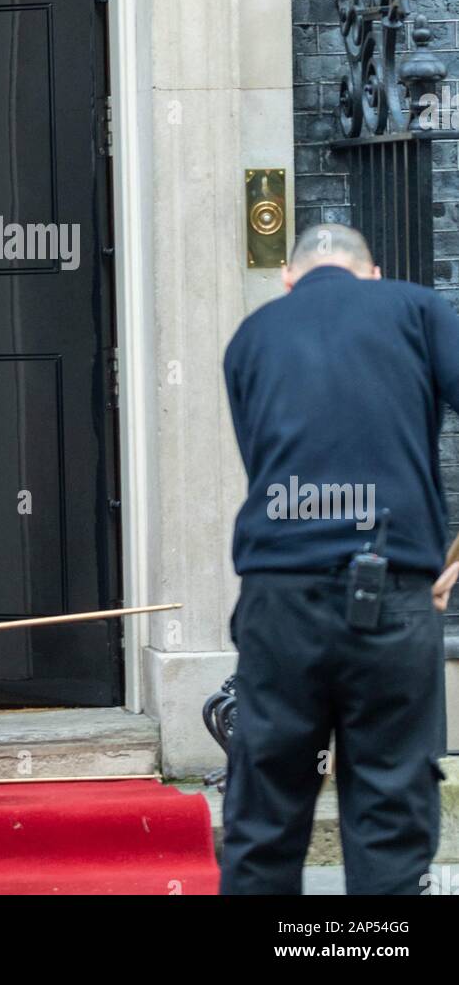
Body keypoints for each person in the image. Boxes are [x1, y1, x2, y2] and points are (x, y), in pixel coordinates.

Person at [221, 224, 459, 896]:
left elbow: (263, 462)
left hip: (279, 597)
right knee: (389, 813)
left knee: (264, 816)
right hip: (392, 595)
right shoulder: (418, 308)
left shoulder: (252, 337)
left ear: (288, 280)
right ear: (373, 273)